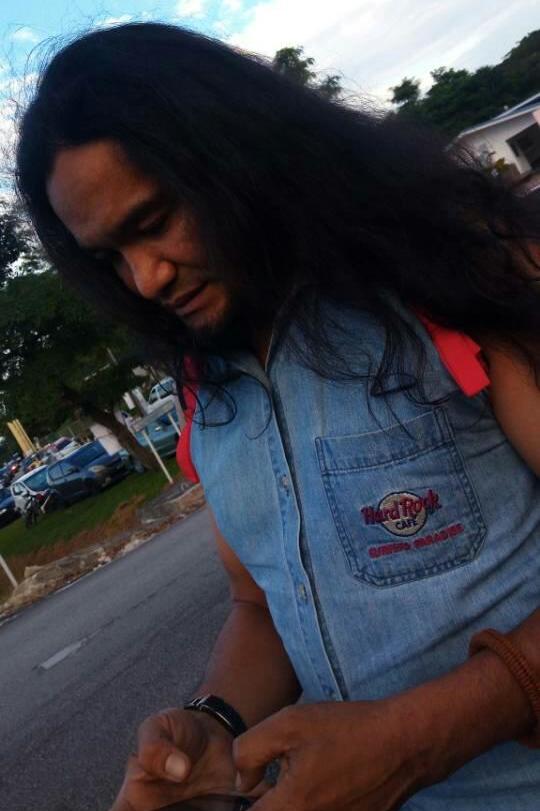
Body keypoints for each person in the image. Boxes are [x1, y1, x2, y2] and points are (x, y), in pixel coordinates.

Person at [15, 22, 540, 811]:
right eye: (110, 257)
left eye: (152, 222)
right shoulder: (205, 387)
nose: (145, 279)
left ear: (235, 153)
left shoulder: (450, 274)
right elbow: (261, 605)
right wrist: (213, 722)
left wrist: (418, 740)